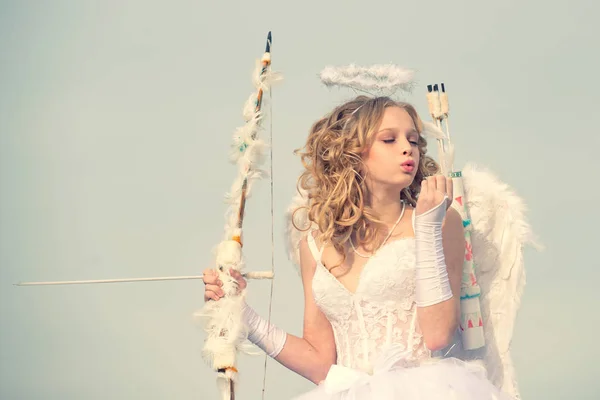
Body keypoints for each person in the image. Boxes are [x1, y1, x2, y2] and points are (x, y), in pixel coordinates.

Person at [203, 95, 513, 399]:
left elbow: (437, 335)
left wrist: (429, 226)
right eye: (389, 140)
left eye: (414, 140)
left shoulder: (442, 221)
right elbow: (321, 364)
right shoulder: (314, 245)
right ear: (352, 153)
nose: (408, 148)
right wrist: (245, 317)